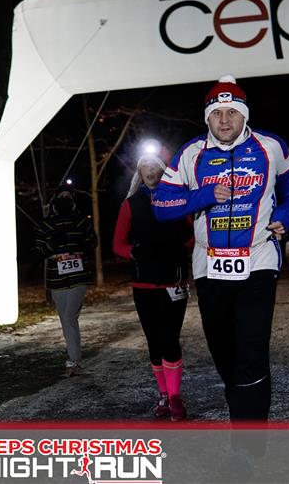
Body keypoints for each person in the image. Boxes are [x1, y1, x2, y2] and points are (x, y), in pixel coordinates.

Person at [152, 75, 289, 421]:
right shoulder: (190, 153)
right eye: (216, 113)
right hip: (210, 266)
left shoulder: (271, 146)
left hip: (259, 260)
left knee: (251, 348)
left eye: (232, 112)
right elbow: (161, 206)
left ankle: (249, 437)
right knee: (224, 352)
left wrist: (285, 214)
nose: (224, 120)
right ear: (207, 117)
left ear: (244, 115)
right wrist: (203, 196)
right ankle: (243, 413)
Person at [113, 154, 193, 421]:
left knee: (170, 339)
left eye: (154, 167)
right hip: (144, 284)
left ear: (162, 171)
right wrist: (136, 252)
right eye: (144, 168)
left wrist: (179, 250)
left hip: (174, 282)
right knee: (154, 341)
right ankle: (164, 395)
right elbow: (118, 244)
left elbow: (193, 235)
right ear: (139, 173)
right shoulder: (131, 204)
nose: (149, 171)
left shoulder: (178, 199)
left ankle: (175, 397)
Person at [34, 182, 97, 377]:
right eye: (61, 196)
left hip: (78, 277)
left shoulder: (81, 221)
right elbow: (39, 247)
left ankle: (73, 361)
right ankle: (74, 360)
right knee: (66, 320)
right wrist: (53, 248)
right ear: (55, 199)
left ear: (73, 200)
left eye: (68, 197)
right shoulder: (46, 224)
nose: (64, 199)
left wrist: (80, 249)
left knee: (70, 317)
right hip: (57, 279)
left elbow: (92, 241)